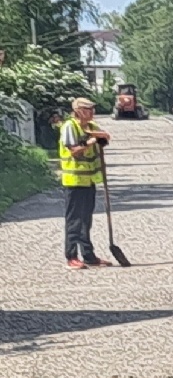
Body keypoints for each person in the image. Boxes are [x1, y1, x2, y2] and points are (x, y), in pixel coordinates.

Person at [58, 96, 107, 269]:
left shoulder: (92, 127)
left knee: (86, 220)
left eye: (92, 108)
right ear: (78, 111)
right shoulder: (69, 126)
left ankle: (88, 255)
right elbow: (74, 151)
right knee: (74, 220)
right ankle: (71, 256)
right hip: (74, 181)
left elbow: (103, 140)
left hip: (88, 180)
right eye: (87, 109)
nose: (92, 112)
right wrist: (91, 141)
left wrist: (103, 139)